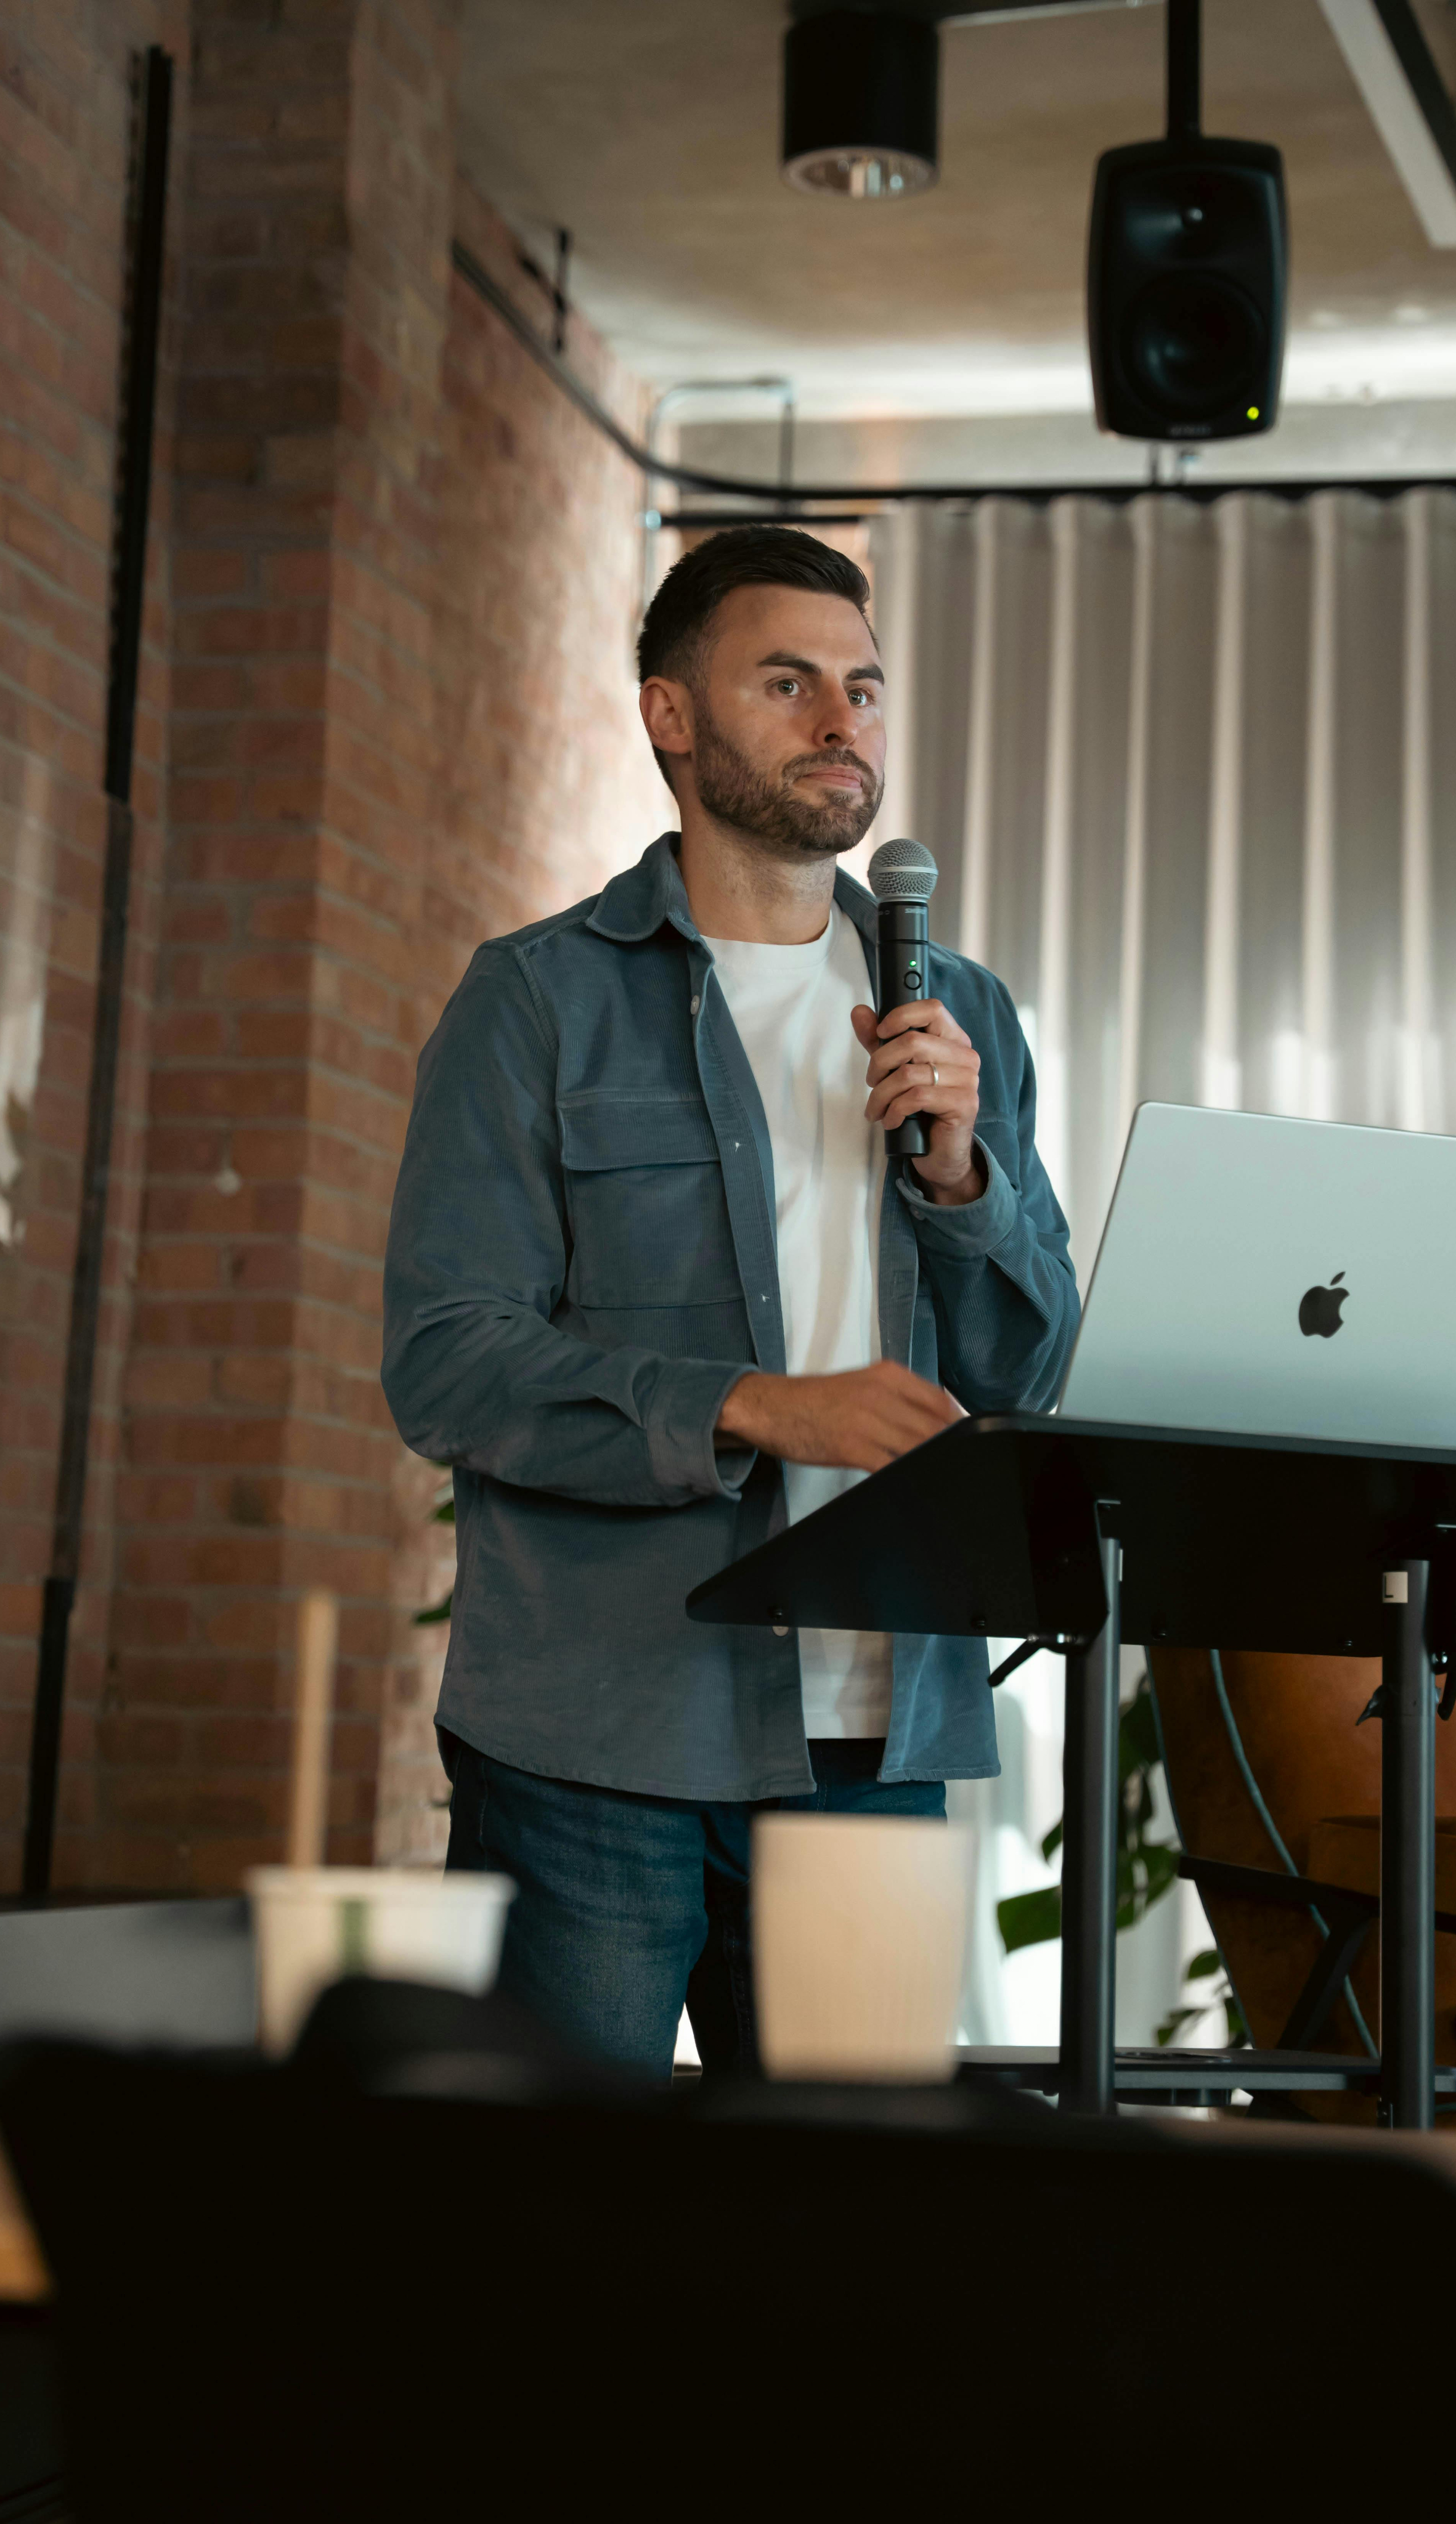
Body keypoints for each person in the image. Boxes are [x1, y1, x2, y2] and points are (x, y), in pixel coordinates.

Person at [381, 526, 1078, 2076]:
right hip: (592, 1734)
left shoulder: (958, 1014)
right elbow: (448, 1360)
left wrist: (963, 1182)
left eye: (864, 688)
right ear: (671, 716)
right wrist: (754, 1404)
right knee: (561, 2236)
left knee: (849, 2252)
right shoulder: (539, 1000)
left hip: (875, 1735)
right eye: (788, 681)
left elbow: (1035, 1375)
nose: (844, 723)